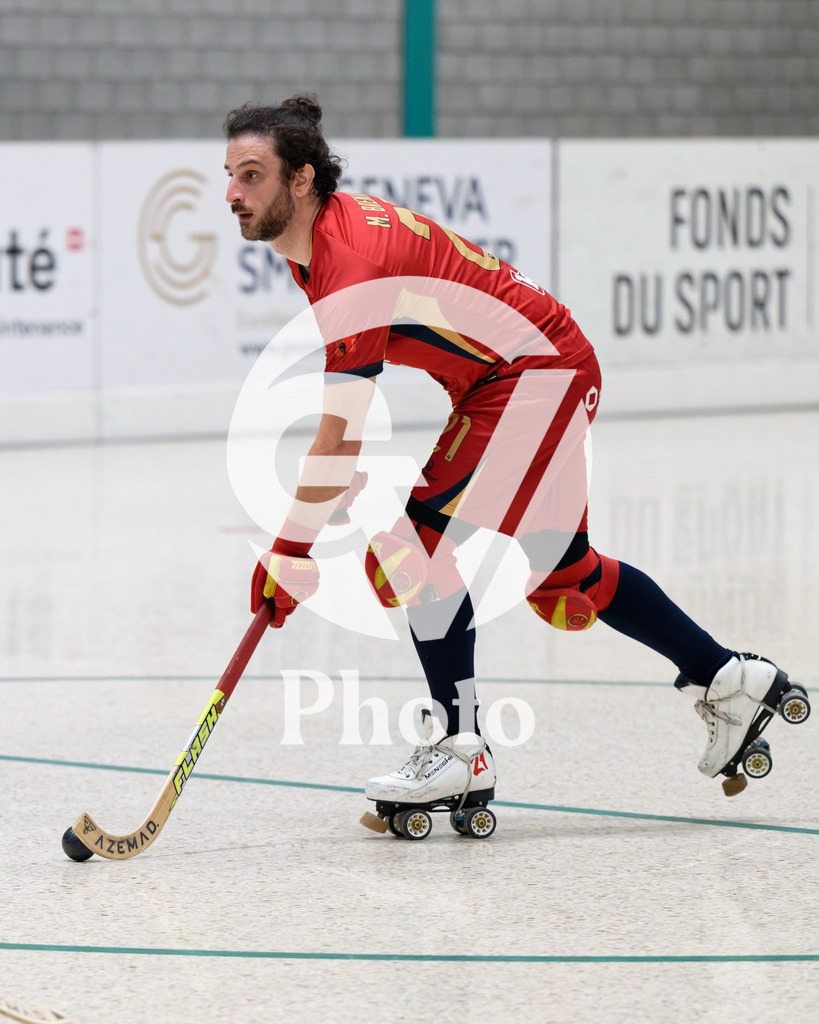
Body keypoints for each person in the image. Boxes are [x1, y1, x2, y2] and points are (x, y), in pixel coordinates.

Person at [222, 94, 807, 823]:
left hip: (532, 377)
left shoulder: (349, 265)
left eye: (251, 176)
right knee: (565, 577)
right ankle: (728, 677)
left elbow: (339, 435)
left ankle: (460, 749)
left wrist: (288, 550)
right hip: (532, 370)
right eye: (229, 176)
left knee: (407, 546)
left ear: (301, 180)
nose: (232, 195)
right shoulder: (322, 246)